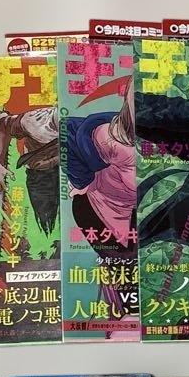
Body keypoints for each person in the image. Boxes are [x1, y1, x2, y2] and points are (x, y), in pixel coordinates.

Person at [65, 76, 136, 327]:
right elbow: (68, 130)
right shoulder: (110, 137)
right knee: (124, 265)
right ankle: (123, 318)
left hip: (134, 214)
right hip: (97, 211)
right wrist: (82, 180)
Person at [0, 106, 60, 276]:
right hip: (42, 177)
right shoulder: (36, 122)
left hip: (72, 174)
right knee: (46, 224)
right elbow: (4, 124)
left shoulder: (86, 120)